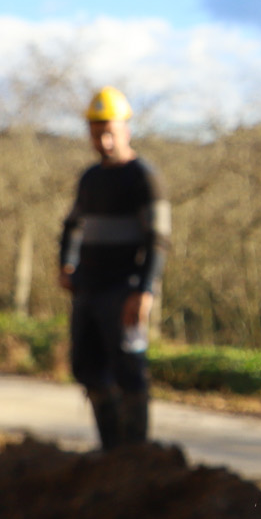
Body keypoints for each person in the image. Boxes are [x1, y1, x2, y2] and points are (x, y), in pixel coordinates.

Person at [58, 86, 171, 450]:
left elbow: (158, 238)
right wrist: (67, 264)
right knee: (86, 368)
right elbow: (71, 225)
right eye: (96, 132)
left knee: (129, 371)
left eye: (110, 131)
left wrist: (145, 290)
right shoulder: (90, 178)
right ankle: (110, 449)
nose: (104, 140)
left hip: (124, 289)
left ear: (126, 129)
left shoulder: (144, 178)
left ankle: (135, 455)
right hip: (88, 288)